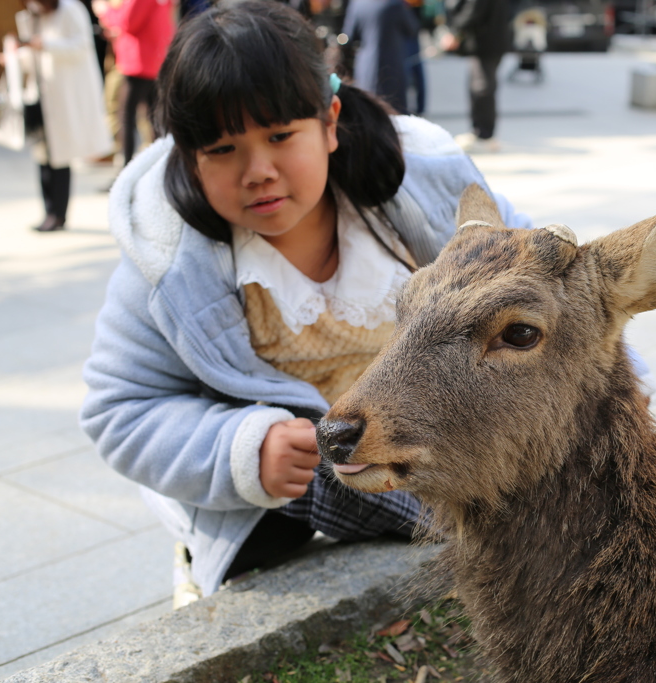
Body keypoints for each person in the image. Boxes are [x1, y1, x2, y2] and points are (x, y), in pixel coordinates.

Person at [79, 0, 533, 607]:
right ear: (189, 157)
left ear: (329, 121)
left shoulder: (424, 187)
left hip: (425, 450)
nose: (257, 171)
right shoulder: (168, 261)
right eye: (222, 149)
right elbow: (120, 409)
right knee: (304, 501)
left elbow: (544, 285)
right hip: (290, 493)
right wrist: (241, 448)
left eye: (279, 136)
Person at [0, 0, 111, 231]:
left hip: (64, 96)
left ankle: (58, 214)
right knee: (42, 155)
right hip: (41, 96)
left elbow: (81, 46)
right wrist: (15, 57)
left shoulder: (71, 10)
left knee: (60, 157)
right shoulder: (34, 16)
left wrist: (45, 44)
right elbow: (33, 58)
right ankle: (48, 210)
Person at [92, 0, 173, 166]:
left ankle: (126, 168)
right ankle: (158, 166)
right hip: (153, 59)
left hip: (139, 62)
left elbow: (127, 22)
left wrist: (104, 11)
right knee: (153, 118)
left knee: (126, 117)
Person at [440, 0, 510, 154]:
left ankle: (484, 135)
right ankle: (479, 131)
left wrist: (455, 33)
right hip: (489, 40)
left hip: (486, 41)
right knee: (479, 86)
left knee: (481, 87)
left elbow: (473, 10)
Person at [342, 0, 420, 115]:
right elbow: (412, 29)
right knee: (396, 114)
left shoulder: (357, 3)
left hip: (366, 67)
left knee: (369, 111)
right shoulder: (395, 4)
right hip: (393, 65)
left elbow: (349, 35)